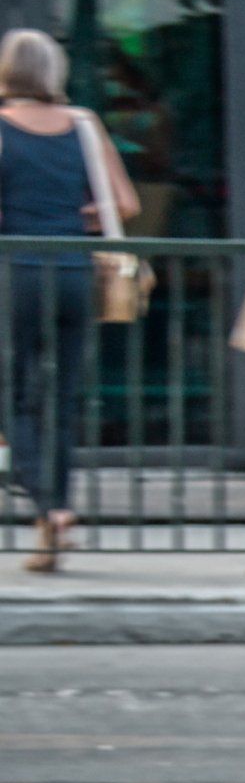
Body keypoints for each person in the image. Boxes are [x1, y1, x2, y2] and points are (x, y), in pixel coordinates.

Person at [0, 28, 138, 573]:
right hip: (76, 274)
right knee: (59, 399)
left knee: (12, 394)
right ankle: (49, 527)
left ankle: (48, 507)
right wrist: (68, 219)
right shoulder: (84, 125)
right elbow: (122, 203)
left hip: (15, 275)